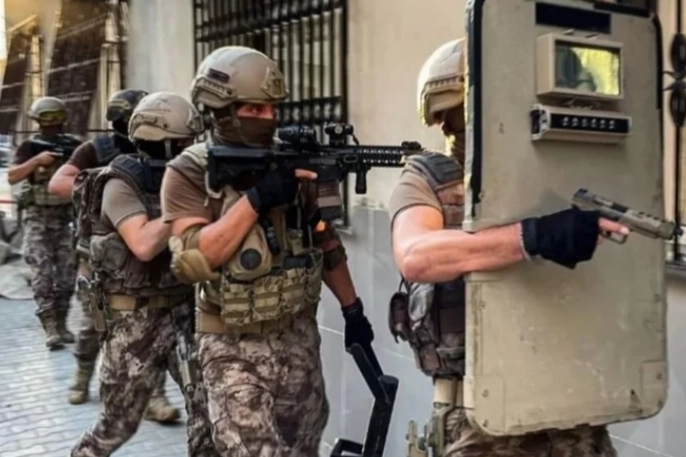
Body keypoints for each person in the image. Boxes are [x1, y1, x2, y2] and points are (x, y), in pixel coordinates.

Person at [388, 38, 626, 457]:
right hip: (482, 415)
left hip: (573, 402)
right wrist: (532, 237)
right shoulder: (427, 178)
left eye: (455, 113)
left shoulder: (563, 171)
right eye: (444, 116)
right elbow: (416, 256)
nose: (446, 127)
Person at [161, 45, 374, 456]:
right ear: (221, 110)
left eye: (272, 109)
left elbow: (325, 240)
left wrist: (354, 310)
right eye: (254, 109)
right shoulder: (189, 171)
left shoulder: (289, 161)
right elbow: (195, 259)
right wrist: (257, 199)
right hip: (231, 347)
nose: (268, 118)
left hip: (298, 339)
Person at [70, 92, 216, 457]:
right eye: (184, 142)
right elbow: (144, 244)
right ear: (165, 142)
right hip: (133, 321)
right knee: (116, 426)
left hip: (184, 312)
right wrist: (186, 205)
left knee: (209, 412)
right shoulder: (119, 183)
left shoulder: (185, 179)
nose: (190, 148)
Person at [48, 89, 179, 423]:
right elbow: (58, 184)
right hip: (101, 257)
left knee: (155, 322)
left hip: (147, 252)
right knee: (94, 322)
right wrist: (108, 181)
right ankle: (82, 374)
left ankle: (154, 396)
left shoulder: (163, 150)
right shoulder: (98, 149)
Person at [7, 97, 82, 349]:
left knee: (67, 276)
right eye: (46, 118)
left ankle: (61, 322)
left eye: (55, 118)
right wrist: (37, 161)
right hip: (38, 219)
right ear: (37, 120)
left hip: (66, 218)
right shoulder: (30, 147)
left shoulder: (75, 146)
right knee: (42, 274)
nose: (51, 123)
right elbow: (12, 176)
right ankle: (50, 326)